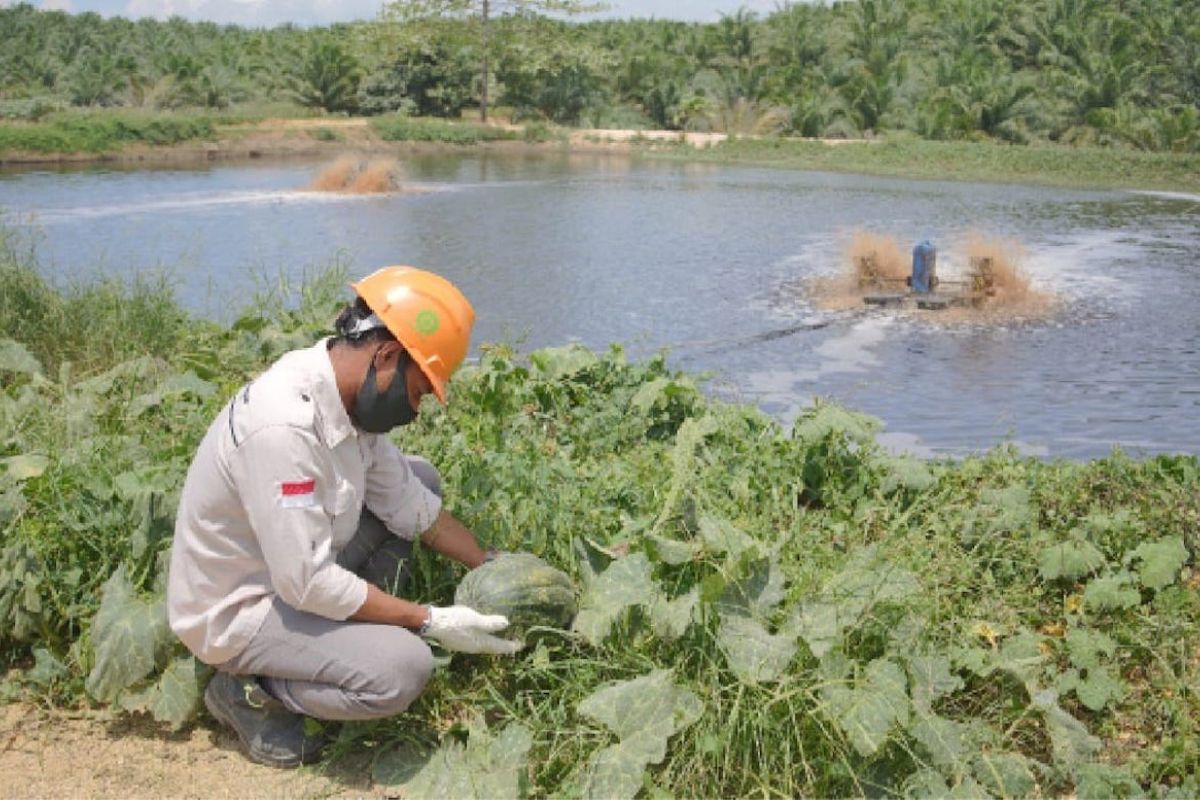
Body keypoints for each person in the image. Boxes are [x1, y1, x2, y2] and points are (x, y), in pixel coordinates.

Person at [167, 266, 522, 769]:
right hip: (241, 608)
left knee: (421, 479)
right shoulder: (284, 428)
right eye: (420, 391)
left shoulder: (345, 393)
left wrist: (491, 564)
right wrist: (429, 620)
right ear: (387, 355)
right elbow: (306, 583)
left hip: (290, 562)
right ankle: (248, 692)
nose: (416, 410)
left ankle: (341, 640)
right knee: (402, 669)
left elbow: (414, 508)